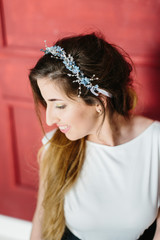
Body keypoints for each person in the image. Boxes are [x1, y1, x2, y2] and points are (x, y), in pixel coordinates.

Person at [29, 32, 160, 240]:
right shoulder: (54, 147)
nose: (49, 119)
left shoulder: (155, 143)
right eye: (48, 104)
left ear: (99, 99)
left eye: (60, 105)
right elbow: (42, 217)